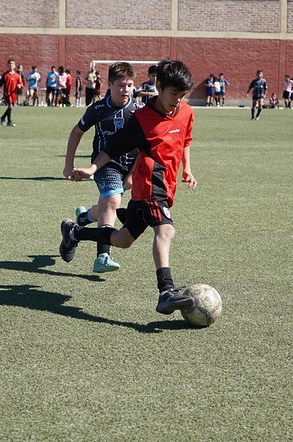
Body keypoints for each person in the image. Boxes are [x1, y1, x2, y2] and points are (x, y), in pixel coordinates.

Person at [60, 59, 198, 315]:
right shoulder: (141, 119)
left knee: (122, 240)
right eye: (173, 94)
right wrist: (91, 169)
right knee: (166, 231)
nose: (177, 100)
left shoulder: (186, 112)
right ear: (159, 86)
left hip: (165, 188)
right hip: (149, 188)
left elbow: (185, 139)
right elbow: (112, 147)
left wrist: (187, 168)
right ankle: (166, 291)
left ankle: (74, 233)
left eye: (182, 95)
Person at [62, 62, 140, 273]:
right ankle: (103, 256)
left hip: (130, 166)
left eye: (130, 85)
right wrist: (68, 165)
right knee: (113, 201)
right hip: (105, 165)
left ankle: (82, 219)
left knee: (106, 206)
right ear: (110, 84)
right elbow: (76, 132)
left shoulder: (139, 111)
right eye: (121, 86)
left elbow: (144, 147)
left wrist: (133, 174)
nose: (126, 90)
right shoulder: (98, 108)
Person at [0, 59, 24, 127]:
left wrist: (19, 85)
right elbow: (0, 84)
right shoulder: (5, 75)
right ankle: (9, 122)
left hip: (14, 93)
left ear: (15, 66)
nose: (11, 65)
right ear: (7, 65)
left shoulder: (17, 75)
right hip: (7, 93)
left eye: (12, 64)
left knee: (11, 107)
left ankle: (3, 117)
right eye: (9, 63)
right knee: (10, 106)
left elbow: (21, 83)